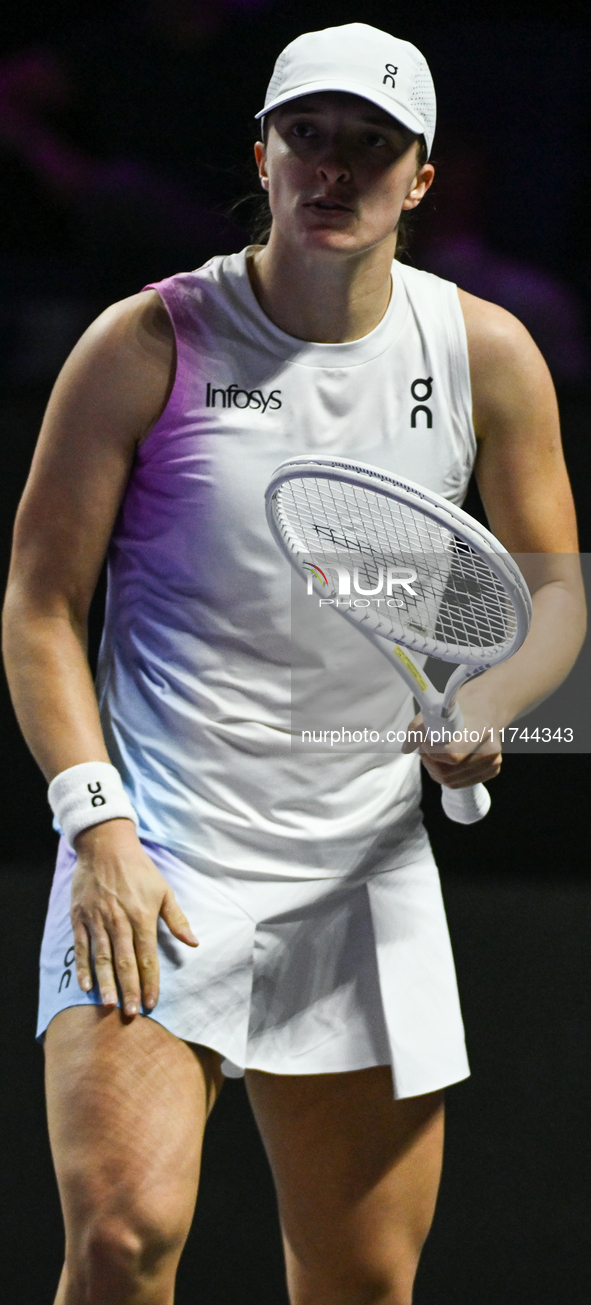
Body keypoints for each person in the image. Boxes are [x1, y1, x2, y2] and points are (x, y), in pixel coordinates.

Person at [2, 22, 585, 1305]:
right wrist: (96, 827)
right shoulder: (143, 343)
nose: (336, 169)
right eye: (308, 137)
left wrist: (490, 699)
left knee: (363, 1282)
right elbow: (41, 601)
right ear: (260, 154)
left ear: (421, 178)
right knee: (119, 1237)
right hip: (158, 853)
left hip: (360, 867)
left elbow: (554, 593)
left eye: (372, 146)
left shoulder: (484, 353)